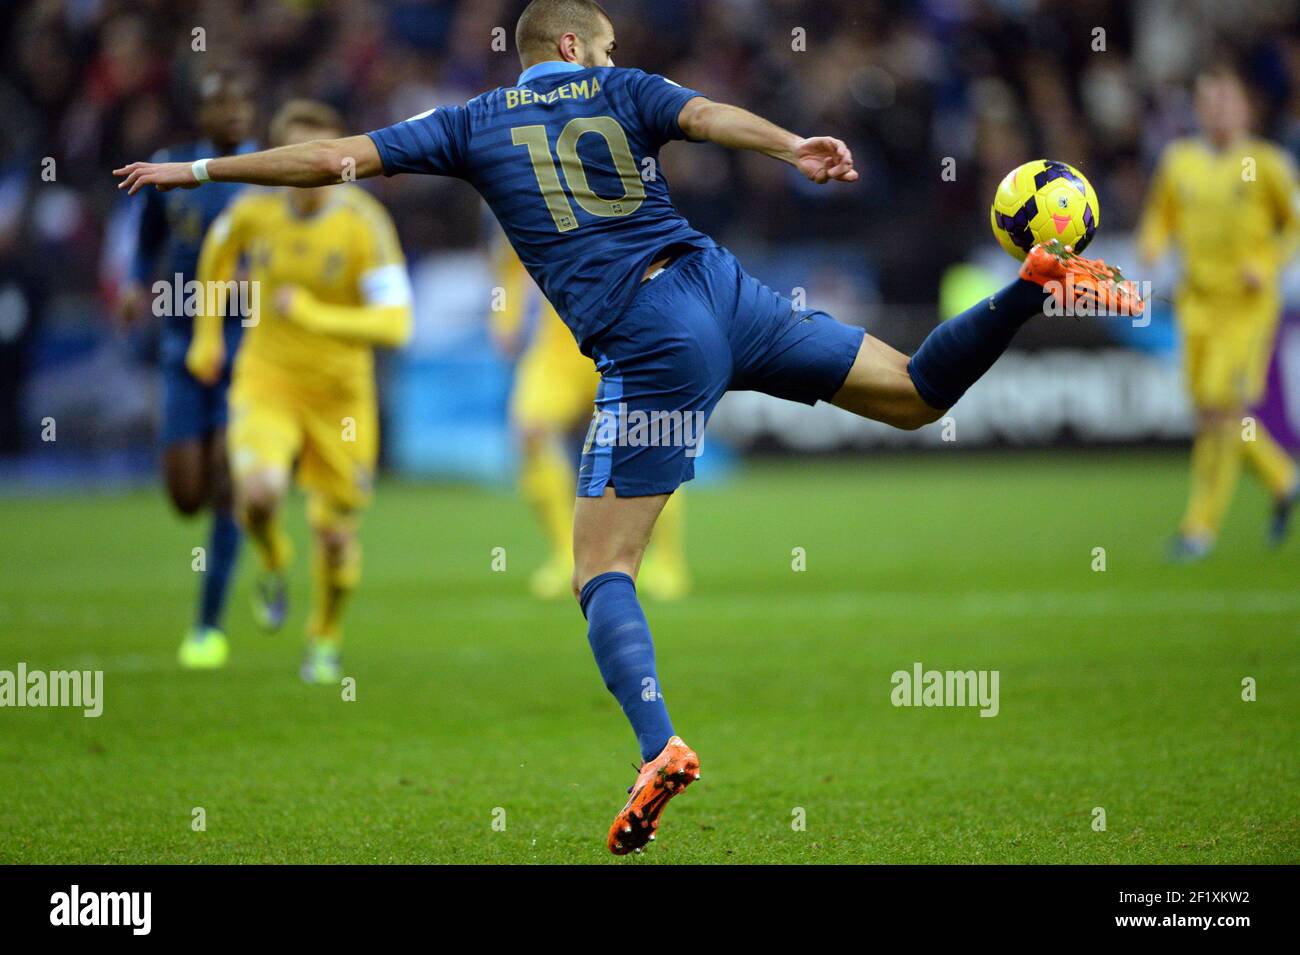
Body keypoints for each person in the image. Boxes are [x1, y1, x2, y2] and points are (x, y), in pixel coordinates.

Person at [116, 0, 1141, 853]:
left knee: (600, 570)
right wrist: (796, 146)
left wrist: (201, 174)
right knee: (917, 393)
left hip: (649, 337)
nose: (612, 56)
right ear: (571, 46)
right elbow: (709, 118)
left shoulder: (468, 122)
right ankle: (1032, 283)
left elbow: (334, 157)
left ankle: (657, 744)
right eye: (604, 44)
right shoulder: (626, 89)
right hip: (722, 287)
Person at [186, 100, 413, 683]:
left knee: (336, 538)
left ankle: (325, 636)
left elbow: (395, 325)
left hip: (341, 397)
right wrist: (207, 337)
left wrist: (314, 314)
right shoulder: (253, 209)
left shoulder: (363, 222)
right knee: (258, 493)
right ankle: (273, 557)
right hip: (268, 378)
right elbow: (214, 256)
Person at [117, 69, 256, 669]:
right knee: (185, 494)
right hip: (182, 340)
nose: (234, 111)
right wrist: (133, 283)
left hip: (248, 342)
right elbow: (148, 237)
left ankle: (208, 624)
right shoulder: (170, 167)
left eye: (241, 99)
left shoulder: (270, 170)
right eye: (221, 100)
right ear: (198, 115)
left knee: (229, 478)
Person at [1139, 62, 1299, 561]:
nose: (1218, 110)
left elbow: (1294, 227)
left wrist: (1265, 261)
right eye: (1208, 102)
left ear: (1245, 107)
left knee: (1221, 408)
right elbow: (1158, 217)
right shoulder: (1179, 160)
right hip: (1196, 304)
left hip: (1246, 307)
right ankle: (1283, 478)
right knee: (1212, 414)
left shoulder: (1267, 163)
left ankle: (1199, 528)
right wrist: (1151, 244)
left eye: (1226, 101)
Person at [488, 234, 689, 600]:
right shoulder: (527, 198)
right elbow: (512, 266)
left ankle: (667, 562)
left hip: (625, 344)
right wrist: (505, 320)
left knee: (652, 440)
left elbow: (667, 262)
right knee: (530, 432)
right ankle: (568, 554)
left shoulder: (622, 195)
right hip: (559, 351)